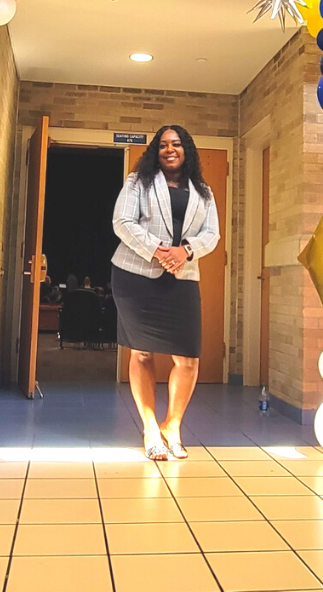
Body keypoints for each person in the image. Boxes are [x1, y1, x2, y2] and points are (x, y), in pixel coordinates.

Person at [111, 125, 220, 460]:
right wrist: (160, 250)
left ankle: (172, 426)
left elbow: (212, 233)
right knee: (141, 354)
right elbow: (122, 222)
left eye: (176, 144)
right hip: (135, 275)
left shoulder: (203, 190)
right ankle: (149, 430)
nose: (170, 149)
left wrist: (184, 251)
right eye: (163, 145)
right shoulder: (137, 182)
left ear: (186, 149)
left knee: (188, 358)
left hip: (183, 277)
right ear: (155, 151)